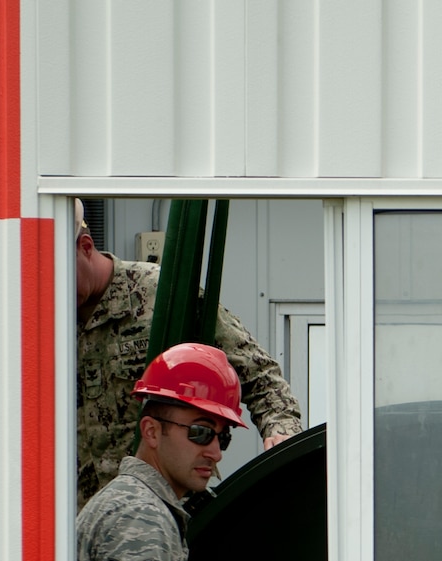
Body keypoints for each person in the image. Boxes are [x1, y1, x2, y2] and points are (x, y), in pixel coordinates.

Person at [74, 199, 302, 506]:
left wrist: (282, 433)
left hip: (165, 511)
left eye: (55, 271)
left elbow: (259, 373)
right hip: (76, 525)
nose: (47, 286)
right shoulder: (37, 319)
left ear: (85, 247)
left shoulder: (162, 296)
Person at [75, 344, 243, 561]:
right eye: (201, 432)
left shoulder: (134, 502)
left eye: (222, 437)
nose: (215, 453)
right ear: (151, 432)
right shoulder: (140, 515)